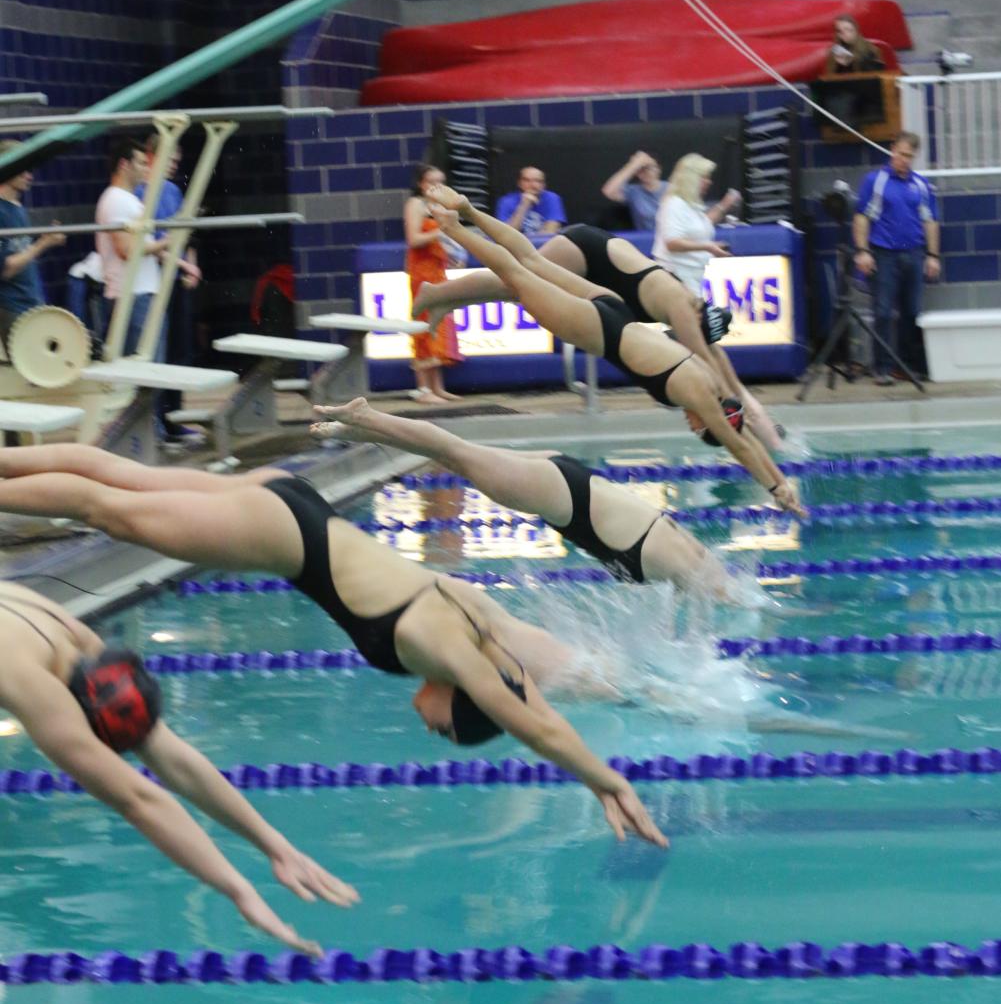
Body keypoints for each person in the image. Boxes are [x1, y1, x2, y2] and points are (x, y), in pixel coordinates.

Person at [0, 444, 666, 849]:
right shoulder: (439, 645)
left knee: (117, 480)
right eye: (443, 730)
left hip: (294, 507)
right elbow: (533, 720)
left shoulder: (480, 625)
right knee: (104, 506)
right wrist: (606, 781)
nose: (425, 726)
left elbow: (531, 681)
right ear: (457, 701)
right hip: (280, 534)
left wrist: (633, 691)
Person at [0, 581, 358, 955]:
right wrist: (239, 890)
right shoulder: (58, 651)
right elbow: (138, 800)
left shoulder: (51, 657)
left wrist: (276, 846)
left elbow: (173, 759)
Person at [422, 186, 801, 513]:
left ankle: (469, 213)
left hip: (615, 308)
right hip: (600, 329)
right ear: (706, 420)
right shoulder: (700, 391)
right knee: (520, 278)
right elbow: (739, 445)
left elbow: (740, 426)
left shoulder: (712, 380)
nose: (690, 425)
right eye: (697, 428)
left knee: (531, 264)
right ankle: (456, 226)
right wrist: (776, 487)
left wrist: (780, 481)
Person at [417, 215, 785, 455]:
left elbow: (732, 385)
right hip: (587, 251)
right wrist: (744, 431)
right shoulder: (681, 307)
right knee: (515, 280)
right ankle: (438, 295)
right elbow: (715, 380)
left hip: (600, 270)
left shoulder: (694, 316)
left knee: (515, 285)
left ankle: (447, 302)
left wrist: (769, 439)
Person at [311, 396, 731, 596]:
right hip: (564, 496)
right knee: (455, 451)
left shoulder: (692, 558)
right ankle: (367, 416)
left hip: (570, 484)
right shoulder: (688, 572)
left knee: (456, 457)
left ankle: (356, 429)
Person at [853, 131, 940, 384]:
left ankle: (906, 366)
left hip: (914, 253)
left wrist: (932, 255)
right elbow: (861, 217)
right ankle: (882, 368)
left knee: (911, 312)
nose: (904, 160)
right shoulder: (876, 181)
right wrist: (862, 251)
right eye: (901, 154)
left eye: (909, 156)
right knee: (882, 311)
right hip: (884, 254)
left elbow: (930, 221)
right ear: (893, 150)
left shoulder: (921, 185)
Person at [138, 132, 202, 439]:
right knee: (158, 352)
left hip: (177, 277)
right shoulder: (141, 193)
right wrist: (182, 263)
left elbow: (184, 234)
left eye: (177, 160)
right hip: (156, 280)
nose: (174, 165)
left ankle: (173, 416)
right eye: (170, 159)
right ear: (152, 156)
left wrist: (192, 264)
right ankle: (158, 420)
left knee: (181, 350)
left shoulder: (173, 191)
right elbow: (151, 243)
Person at [94, 137, 169, 354]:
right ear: (124, 165)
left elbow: (142, 246)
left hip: (139, 295)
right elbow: (127, 250)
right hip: (133, 296)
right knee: (146, 373)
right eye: (142, 163)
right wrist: (167, 241)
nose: (147, 168)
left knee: (150, 370)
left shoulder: (127, 199)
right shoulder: (116, 200)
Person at [405, 163, 463, 404]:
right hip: (422, 273)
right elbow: (414, 239)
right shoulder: (415, 204)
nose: (436, 187)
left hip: (438, 270)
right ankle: (423, 389)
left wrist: (453, 255)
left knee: (438, 324)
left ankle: (437, 387)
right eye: (431, 182)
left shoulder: (439, 206)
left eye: (441, 182)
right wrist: (440, 233)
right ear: (421, 183)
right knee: (424, 324)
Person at [653, 152, 742, 296]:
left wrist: (726, 204)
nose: (709, 182)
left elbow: (704, 224)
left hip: (691, 279)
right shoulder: (674, 204)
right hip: (676, 279)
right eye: (704, 177)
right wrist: (708, 247)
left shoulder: (690, 206)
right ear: (691, 178)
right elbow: (672, 243)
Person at [0, 141, 66, 327]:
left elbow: (19, 255)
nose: (29, 175)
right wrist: (43, 243)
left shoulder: (17, 208)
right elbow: (5, 268)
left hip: (28, 305)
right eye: (23, 168)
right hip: (10, 307)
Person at [600, 151, 666, 231]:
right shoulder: (633, 191)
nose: (646, 172)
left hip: (672, 238)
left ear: (659, 169)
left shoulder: (671, 188)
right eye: (641, 169)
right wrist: (634, 165)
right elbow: (609, 191)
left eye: (650, 168)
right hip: (646, 238)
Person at [495, 166, 566, 237]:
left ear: (544, 185)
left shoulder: (552, 198)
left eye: (538, 181)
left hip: (544, 244)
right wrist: (524, 205)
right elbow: (507, 235)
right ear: (519, 183)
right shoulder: (506, 201)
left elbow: (550, 232)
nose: (533, 185)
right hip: (515, 245)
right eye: (527, 180)